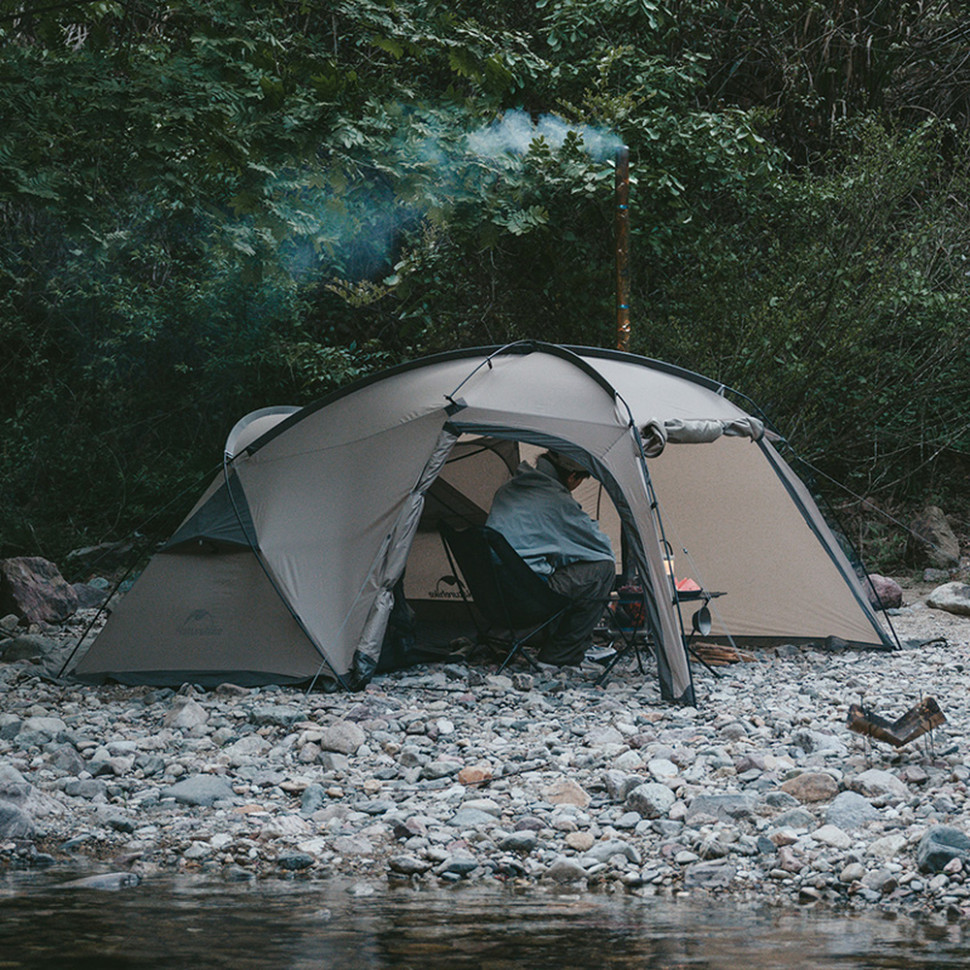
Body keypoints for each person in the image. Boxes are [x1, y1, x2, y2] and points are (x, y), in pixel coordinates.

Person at [486, 450, 615, 666]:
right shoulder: (556, 499)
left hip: (494, 592)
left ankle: (574, 644)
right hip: (528, 596)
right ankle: (562, 654)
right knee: (603, 569)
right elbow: (601, 548)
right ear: (573, 477)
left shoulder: (508, 489)